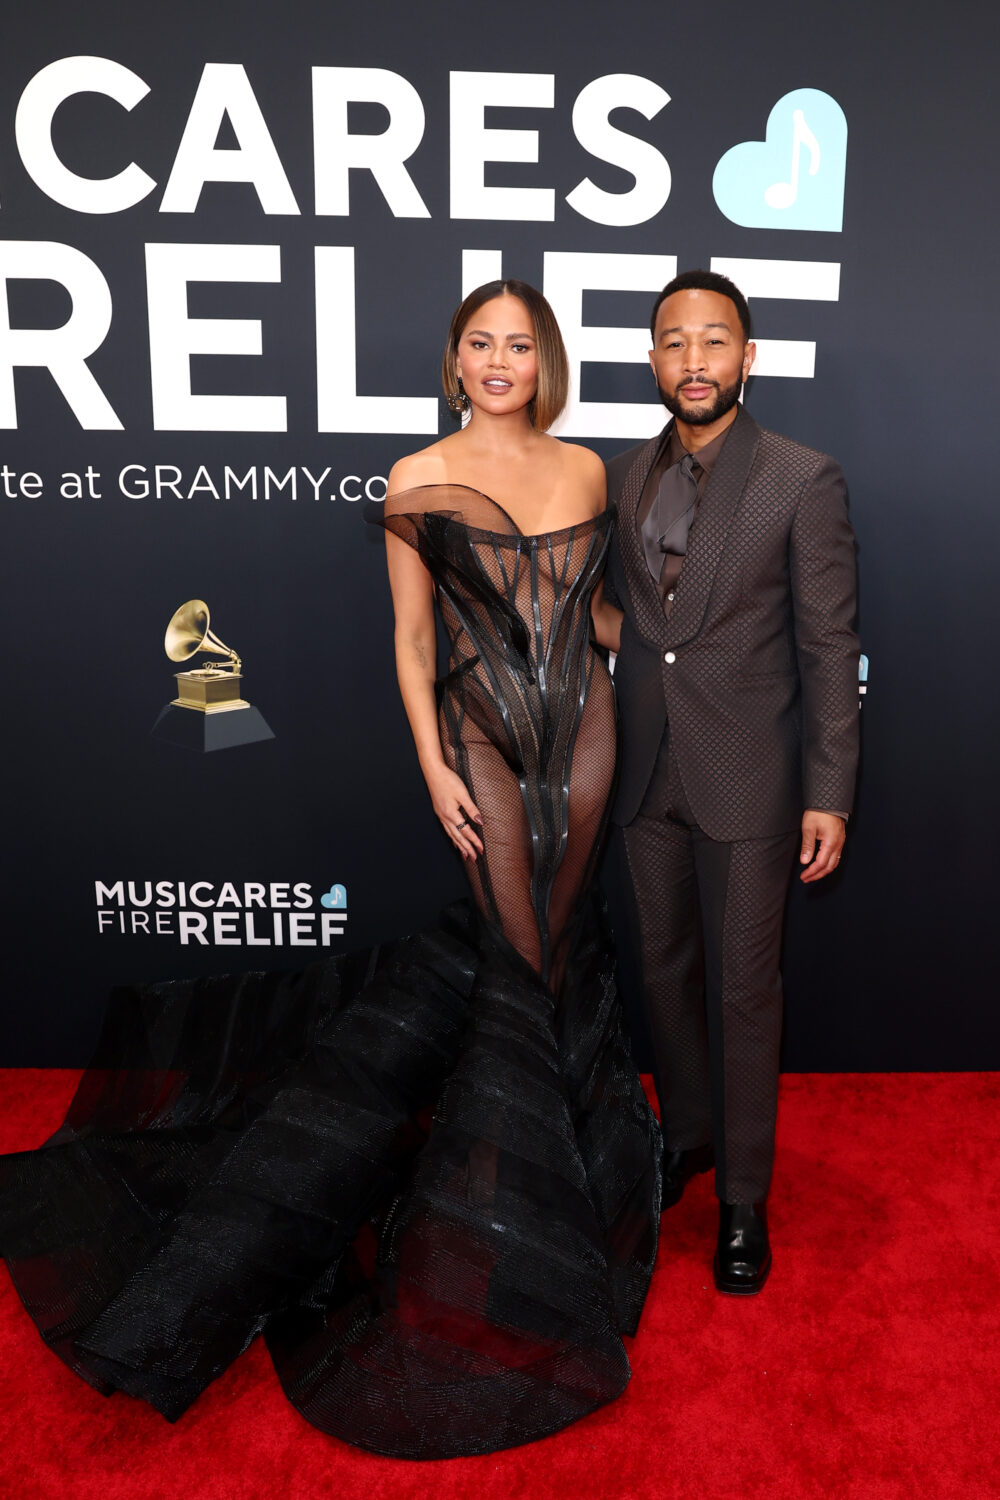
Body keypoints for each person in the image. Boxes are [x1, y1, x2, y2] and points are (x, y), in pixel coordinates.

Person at [0, 280, 661, 1460]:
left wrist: (696, 636)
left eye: (519, 344)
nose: (499, 361)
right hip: (478, 733)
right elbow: (411, 638)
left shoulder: (586, 470)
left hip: (588, 729)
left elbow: (599, 612)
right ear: (454, 360)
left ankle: (557, 1187)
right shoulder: (415, 476)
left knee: (560, 955)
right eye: (480, 343)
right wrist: (433, 766)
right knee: (517, 959)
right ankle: (502, 1216)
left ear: (544, 360)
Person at [603, 269, 859, 1295]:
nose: (694, 360)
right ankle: (689, 1140)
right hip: (642, 770)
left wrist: (829, 790)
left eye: (714, 341)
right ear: (653, 360)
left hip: (751, 775)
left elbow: (829, 645)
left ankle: (743, 1199)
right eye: (675, 342)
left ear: (747, 357)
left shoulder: (801, 477)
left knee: (745, 990)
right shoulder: (624, 476)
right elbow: (640, 627)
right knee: (664, 972)